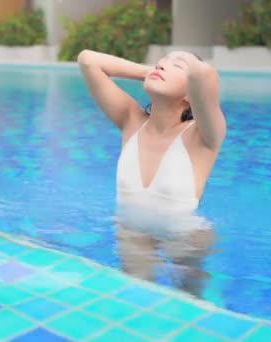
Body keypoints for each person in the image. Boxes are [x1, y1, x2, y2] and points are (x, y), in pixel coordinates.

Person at [77, 49, 226, 297]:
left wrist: (181, 69)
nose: (163, 65)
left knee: (190, 305)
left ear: (191, 94)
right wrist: (149, 72)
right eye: (161, 61)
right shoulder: (131, 120)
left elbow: (206, 75)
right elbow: (87, 60)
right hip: (131, 230)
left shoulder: (204, 136)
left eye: (176, 66)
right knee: (134, 298)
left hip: (185, 238)